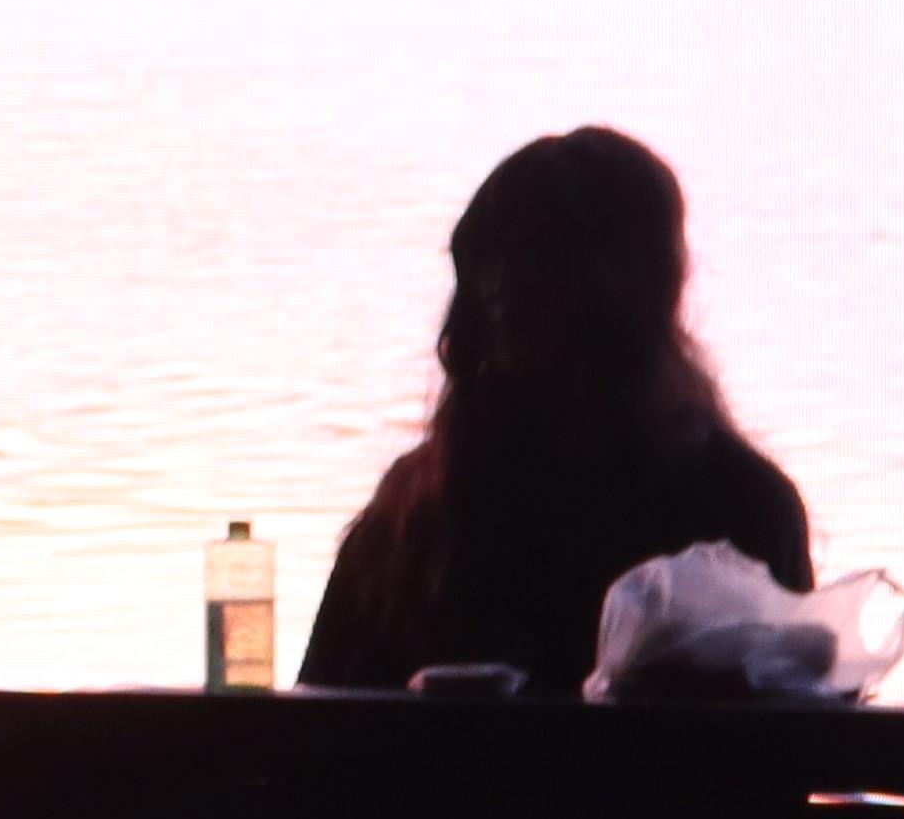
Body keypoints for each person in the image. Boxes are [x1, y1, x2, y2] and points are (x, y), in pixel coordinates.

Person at [298, 125, 818, 695]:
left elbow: (314, 715)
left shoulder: (415, 513)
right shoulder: (747, 506)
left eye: (538, 260)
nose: (501, 290)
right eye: (490, 264)